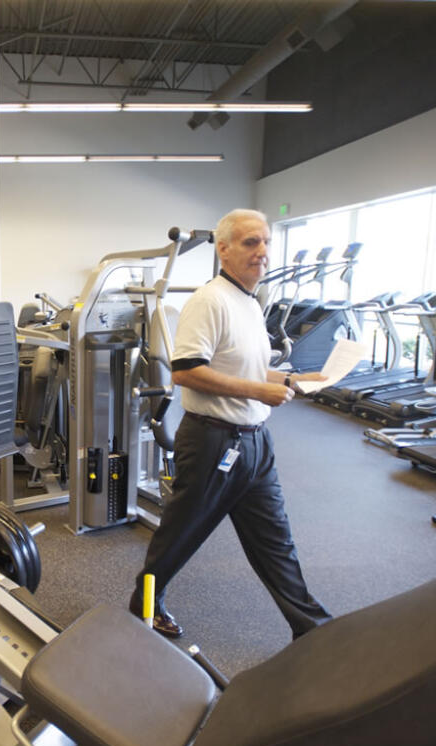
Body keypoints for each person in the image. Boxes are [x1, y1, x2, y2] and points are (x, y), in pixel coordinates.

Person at [129, 209, 331, 641]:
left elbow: (252, 369)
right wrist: (261, 392)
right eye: (249, 243)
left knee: (276, 543)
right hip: (213, 443)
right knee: (179, 537)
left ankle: (313, 629)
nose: (261, 252)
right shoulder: (210, 300)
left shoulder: (250, 302)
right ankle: (142, 607)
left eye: (265, 243)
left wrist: (294, 380)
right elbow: (185, 371)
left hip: (255, 445)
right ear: (224, 250)